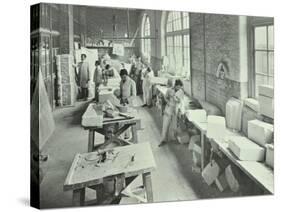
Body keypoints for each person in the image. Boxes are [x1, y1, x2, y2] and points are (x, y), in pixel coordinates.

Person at [159, 79, 184, 147]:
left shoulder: (181, 92)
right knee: (165, 125)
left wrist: (178, 100)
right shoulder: (169, 90)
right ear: (175, 85)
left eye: (180, 87)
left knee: (174, 126)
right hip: (169, 109)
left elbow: (181, 101)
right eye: (178, 87)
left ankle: (173, 138)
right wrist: (168, 102)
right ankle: (163, 140)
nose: (179, 88)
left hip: (175, 110)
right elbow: (165, 97)